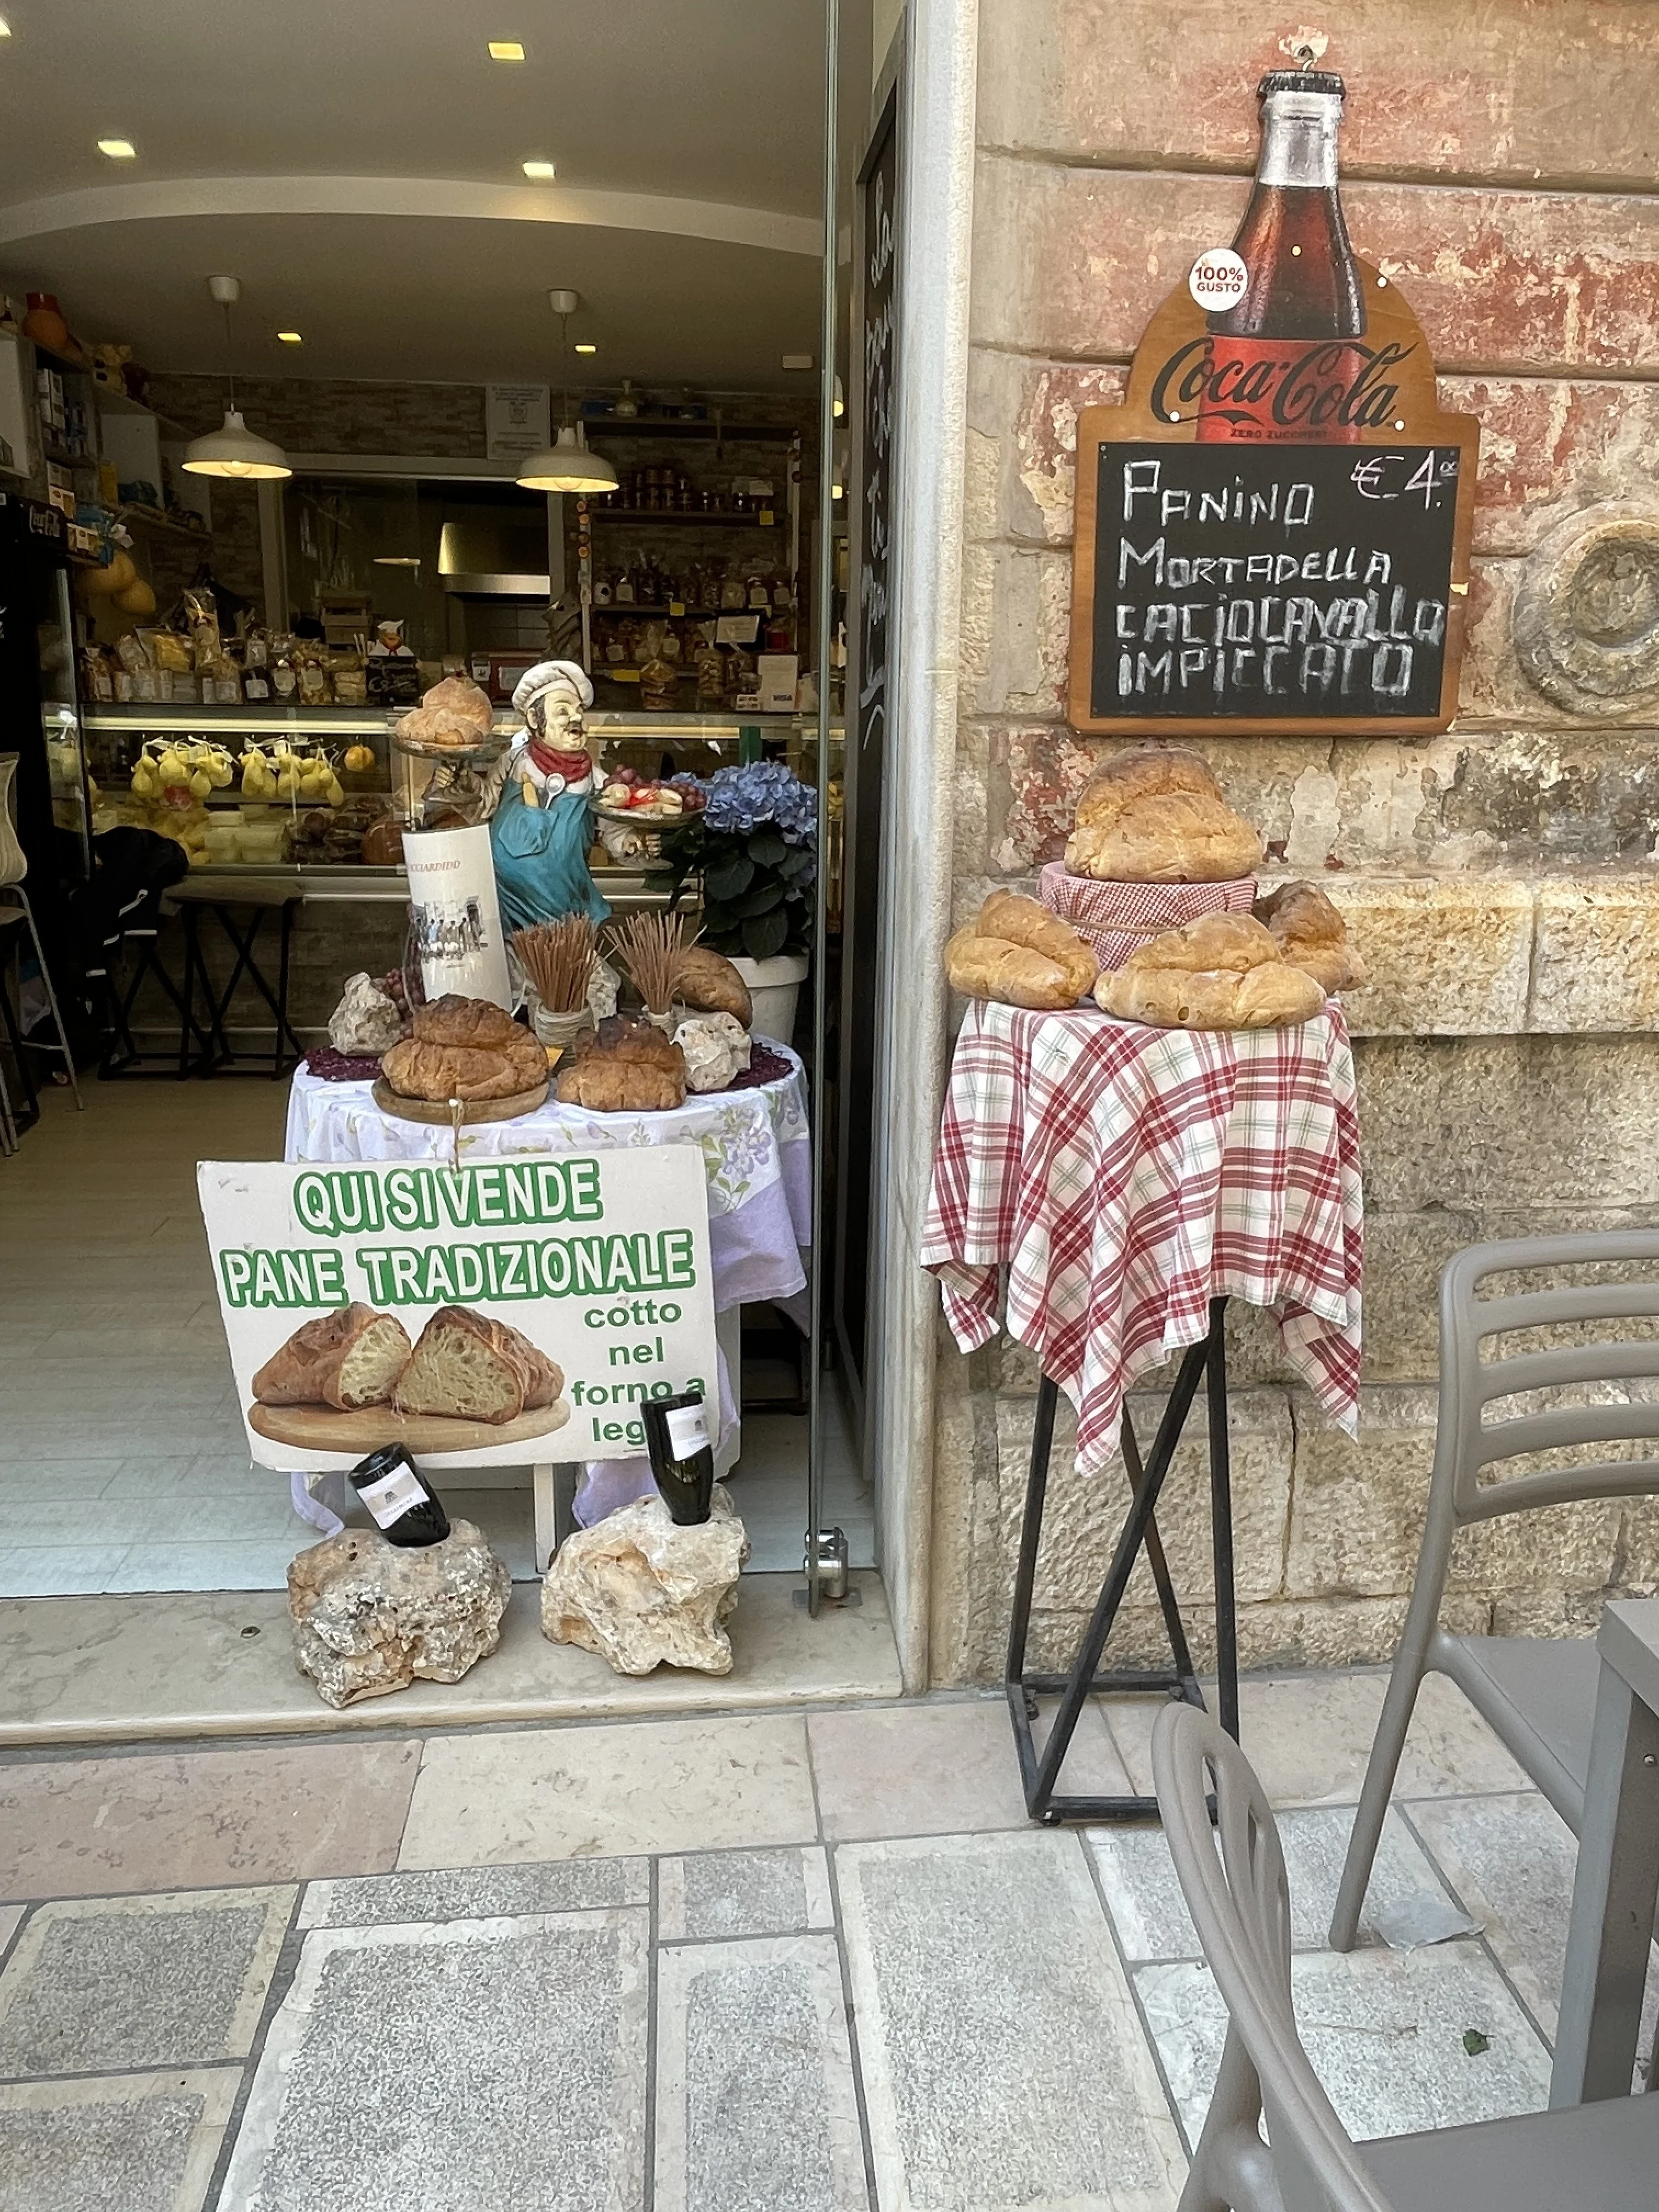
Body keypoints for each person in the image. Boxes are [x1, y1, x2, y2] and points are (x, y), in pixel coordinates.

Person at [486, 659, 610, 929]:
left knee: (563, 971)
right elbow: (479, 808)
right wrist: (454, 782)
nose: (577, 719)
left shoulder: (594, 778)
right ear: (534, 719)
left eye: (579, 711)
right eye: (563, 711)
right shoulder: (511, 764)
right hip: (507, 910)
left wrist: (631, 843)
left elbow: (614, 830)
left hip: (566, 913)